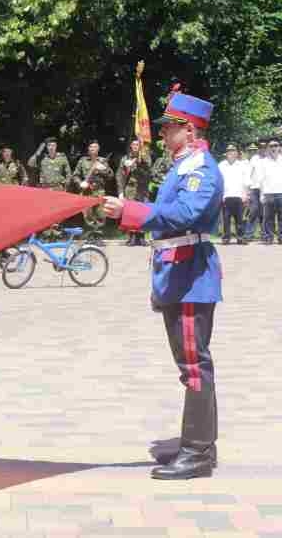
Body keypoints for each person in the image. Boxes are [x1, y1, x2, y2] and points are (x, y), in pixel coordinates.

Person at [103, 87, 223, 480]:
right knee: (188, 363)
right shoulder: (182, 165)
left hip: (190, 275)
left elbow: (187, 212)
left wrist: (132, 211)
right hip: (177, 272)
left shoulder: (200, 168)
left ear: (189, 131)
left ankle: (199, 452)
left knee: (194, 365)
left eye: (170, 128)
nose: (164, 135)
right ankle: (196, 443)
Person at [71, 140, 113, 242]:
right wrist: (80, 183)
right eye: (91, 147)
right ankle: (90, 237)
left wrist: (103, 170)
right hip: (87, 192)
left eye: (95, 147)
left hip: (99, 191)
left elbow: (110, 175)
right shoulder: (83, 161)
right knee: (88, 215)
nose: (93, 149)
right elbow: (75, 175)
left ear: (98, 149)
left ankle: (98, 238)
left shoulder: (103, 161)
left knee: (100, 215)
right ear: (88, 149)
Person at [116, 138, 152, 246]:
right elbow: (120, 175)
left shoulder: (145, 157)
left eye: (138, 144)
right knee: (131, 213)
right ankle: (132, 236)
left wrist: (141, 160)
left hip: (142, 189)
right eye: (134, 144)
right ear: (131, 146)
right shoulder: (125, 159)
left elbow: (149, 169)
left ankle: (141, 237)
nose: (136, 146)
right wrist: (120, 191)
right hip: (130, 189)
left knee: (142, 212)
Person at [218, 144, 249, 245]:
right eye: (229, 151)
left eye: (233, 151)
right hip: (226, 196)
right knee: (226, 219)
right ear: (226, 153)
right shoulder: (221, 165)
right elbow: (219, 182)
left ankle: (240, 237)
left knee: (240, 219)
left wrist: (246, 194)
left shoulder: (242, 165)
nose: (231, 153)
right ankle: (226, 238)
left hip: (239, 195)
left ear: (236, 153)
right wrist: (220, 195)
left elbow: (246, 180)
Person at [256, 139, 282, 243]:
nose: (273, 148)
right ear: (268, 148)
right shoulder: (264, 162)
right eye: (271, 146)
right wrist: (261, 194)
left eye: (275, 145)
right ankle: (268, 237)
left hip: (281, 192)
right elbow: (260, 179)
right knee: (268, 218)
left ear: (279, 147)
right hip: (268, 193)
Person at [244, 142, 264, 240]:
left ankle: (264, 234)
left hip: (266, 189)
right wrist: (248, 189)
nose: (262, 148)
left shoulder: (268, 158)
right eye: (261, 147)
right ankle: (248, 234)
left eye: (264, 147)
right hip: (255, 188)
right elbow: (248, 174)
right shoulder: (254, 159)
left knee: (264, 213)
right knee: (253, 211)